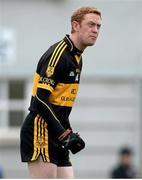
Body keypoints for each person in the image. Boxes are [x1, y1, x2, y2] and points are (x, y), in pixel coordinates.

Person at [20, 6, 102, 178]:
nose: (95, 30)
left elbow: (60, 104)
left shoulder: (77, 57)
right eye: (91, 24)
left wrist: (68, 131)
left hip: (57, 133)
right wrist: (63, 133)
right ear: (75, 25)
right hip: (40, 130)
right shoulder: (58, 55)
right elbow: (40, 100)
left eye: (98, 26)